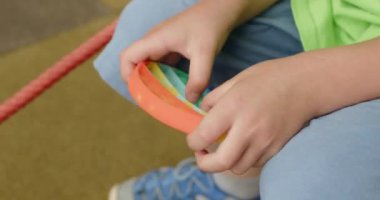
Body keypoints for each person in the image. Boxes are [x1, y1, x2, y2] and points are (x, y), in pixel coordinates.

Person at [94, 0, 380, 199]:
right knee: (143, 30)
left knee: (309, 179)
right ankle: (242, 182)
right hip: (336, 19)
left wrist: (305, 84)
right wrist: (222, 7)